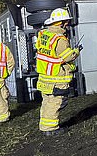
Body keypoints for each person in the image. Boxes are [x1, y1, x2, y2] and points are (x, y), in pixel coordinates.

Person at [35, 8, 81, 136]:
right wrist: (76, 51)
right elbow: (67, 57)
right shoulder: (59, 39)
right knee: (55, 103)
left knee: (47, 102)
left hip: (45, 75)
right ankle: (51, 129)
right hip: (56, 77)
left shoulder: (44, 34)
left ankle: (44, 126)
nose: (67, 24)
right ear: (61, 23)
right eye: (66, 22)